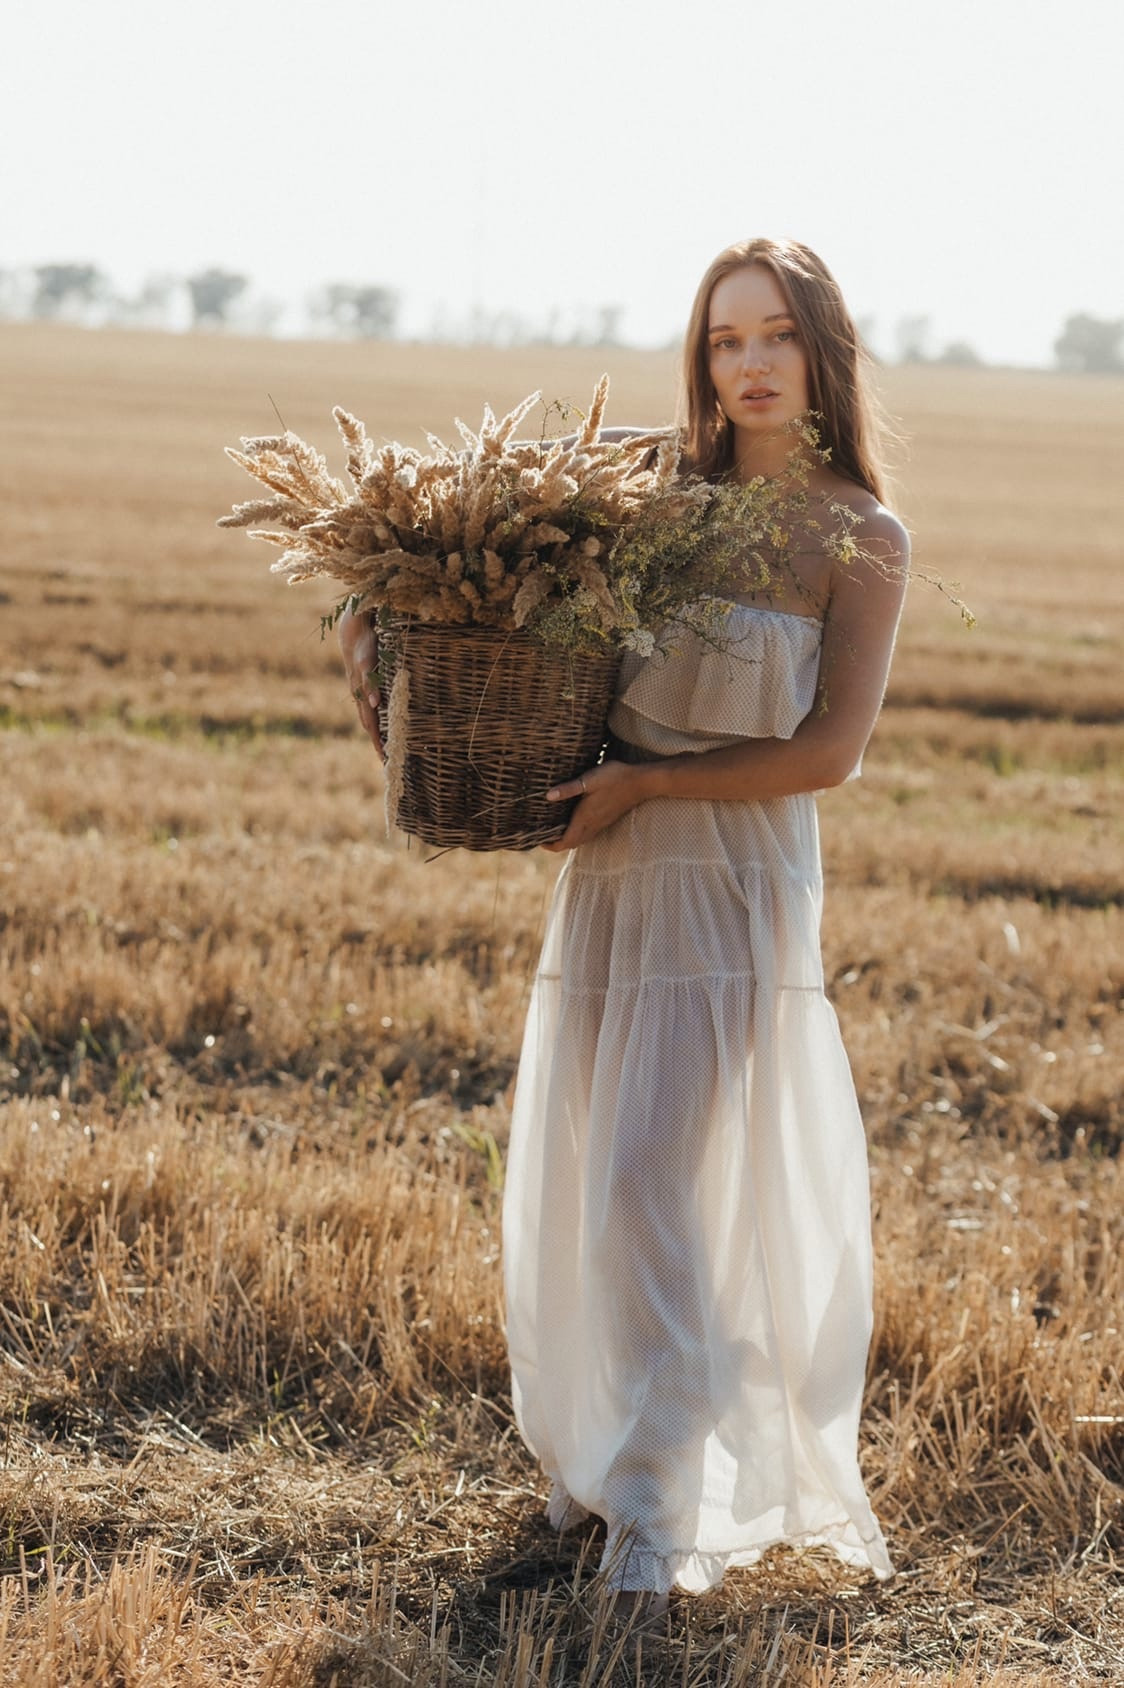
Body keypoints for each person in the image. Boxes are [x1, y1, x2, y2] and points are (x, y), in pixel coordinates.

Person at [340, 237, 907, 1616]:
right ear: (701, 355)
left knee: (654, 1174)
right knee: (603, 1172)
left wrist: (650, 782)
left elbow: (830, 754)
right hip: (608, 869)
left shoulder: (860, 537)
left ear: (823, 353)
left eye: (777, 336)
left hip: (733, 876)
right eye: (726, 340)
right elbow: (482, 566)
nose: (751, 364)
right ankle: (603, 1459)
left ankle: (663, 1495)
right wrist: (383, 631)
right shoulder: (648, 484)